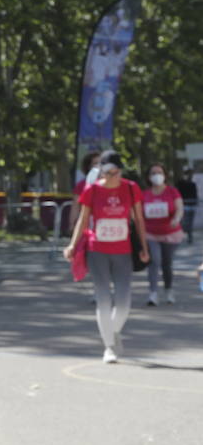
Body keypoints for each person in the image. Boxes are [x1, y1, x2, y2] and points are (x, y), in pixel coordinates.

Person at [62, 150, 149, 363]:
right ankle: (109, 346)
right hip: (97, 249)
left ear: (120, 171)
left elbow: (139, 220)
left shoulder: (131, 188)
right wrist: (72, 245)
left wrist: (144, 247)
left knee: (123, 302)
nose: (112, 177)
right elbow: (83, 220)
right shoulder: (92, 190)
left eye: (115, 172)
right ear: (101, 171)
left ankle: (114, 331)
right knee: (103, 298)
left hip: (123, 250)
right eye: (107, 172)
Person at [141, 162, 184, 305]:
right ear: (148, 177)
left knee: (167, 263)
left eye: (159, 173)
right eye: (153, 173)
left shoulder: (172, 192)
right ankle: (153, 293)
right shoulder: (145, 194)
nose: (156, 176)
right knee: (154, 261)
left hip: (170, 234)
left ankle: (168, 290)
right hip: (151, 234)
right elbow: (138, 213)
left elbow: (179, 208)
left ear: (165, 175)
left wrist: (176, 219)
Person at [176, 167, 197, 243]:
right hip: (185, 205)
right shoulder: (181, 183)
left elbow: (195, 194)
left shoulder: (192, 184)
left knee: (189, 222)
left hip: (191, 205)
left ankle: (189, 236)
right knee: (185, 222)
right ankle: (184, 235)